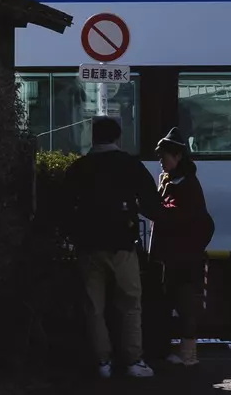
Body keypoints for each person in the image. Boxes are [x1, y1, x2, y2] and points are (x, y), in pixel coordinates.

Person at [61, 115, 162, 379]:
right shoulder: (130, 165)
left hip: (88, 247)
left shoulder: (79, 167)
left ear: (92, 138)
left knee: (93, 307)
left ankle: (102, 361)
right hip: (122, 245)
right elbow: (152, 205)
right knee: (129, 304)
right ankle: (132, 360)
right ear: (118, 138)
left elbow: (61, 207)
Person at [152, 127, 214, 367]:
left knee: (186, 303)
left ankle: (188, 355)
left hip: (184, 256)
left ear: (177, 156)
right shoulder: (170, 180)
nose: (160, 161)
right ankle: (178, 350)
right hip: (172, 254)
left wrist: (155, 210)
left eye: (163, 156)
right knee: (172, 301)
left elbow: (179, 215)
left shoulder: (186, 184)